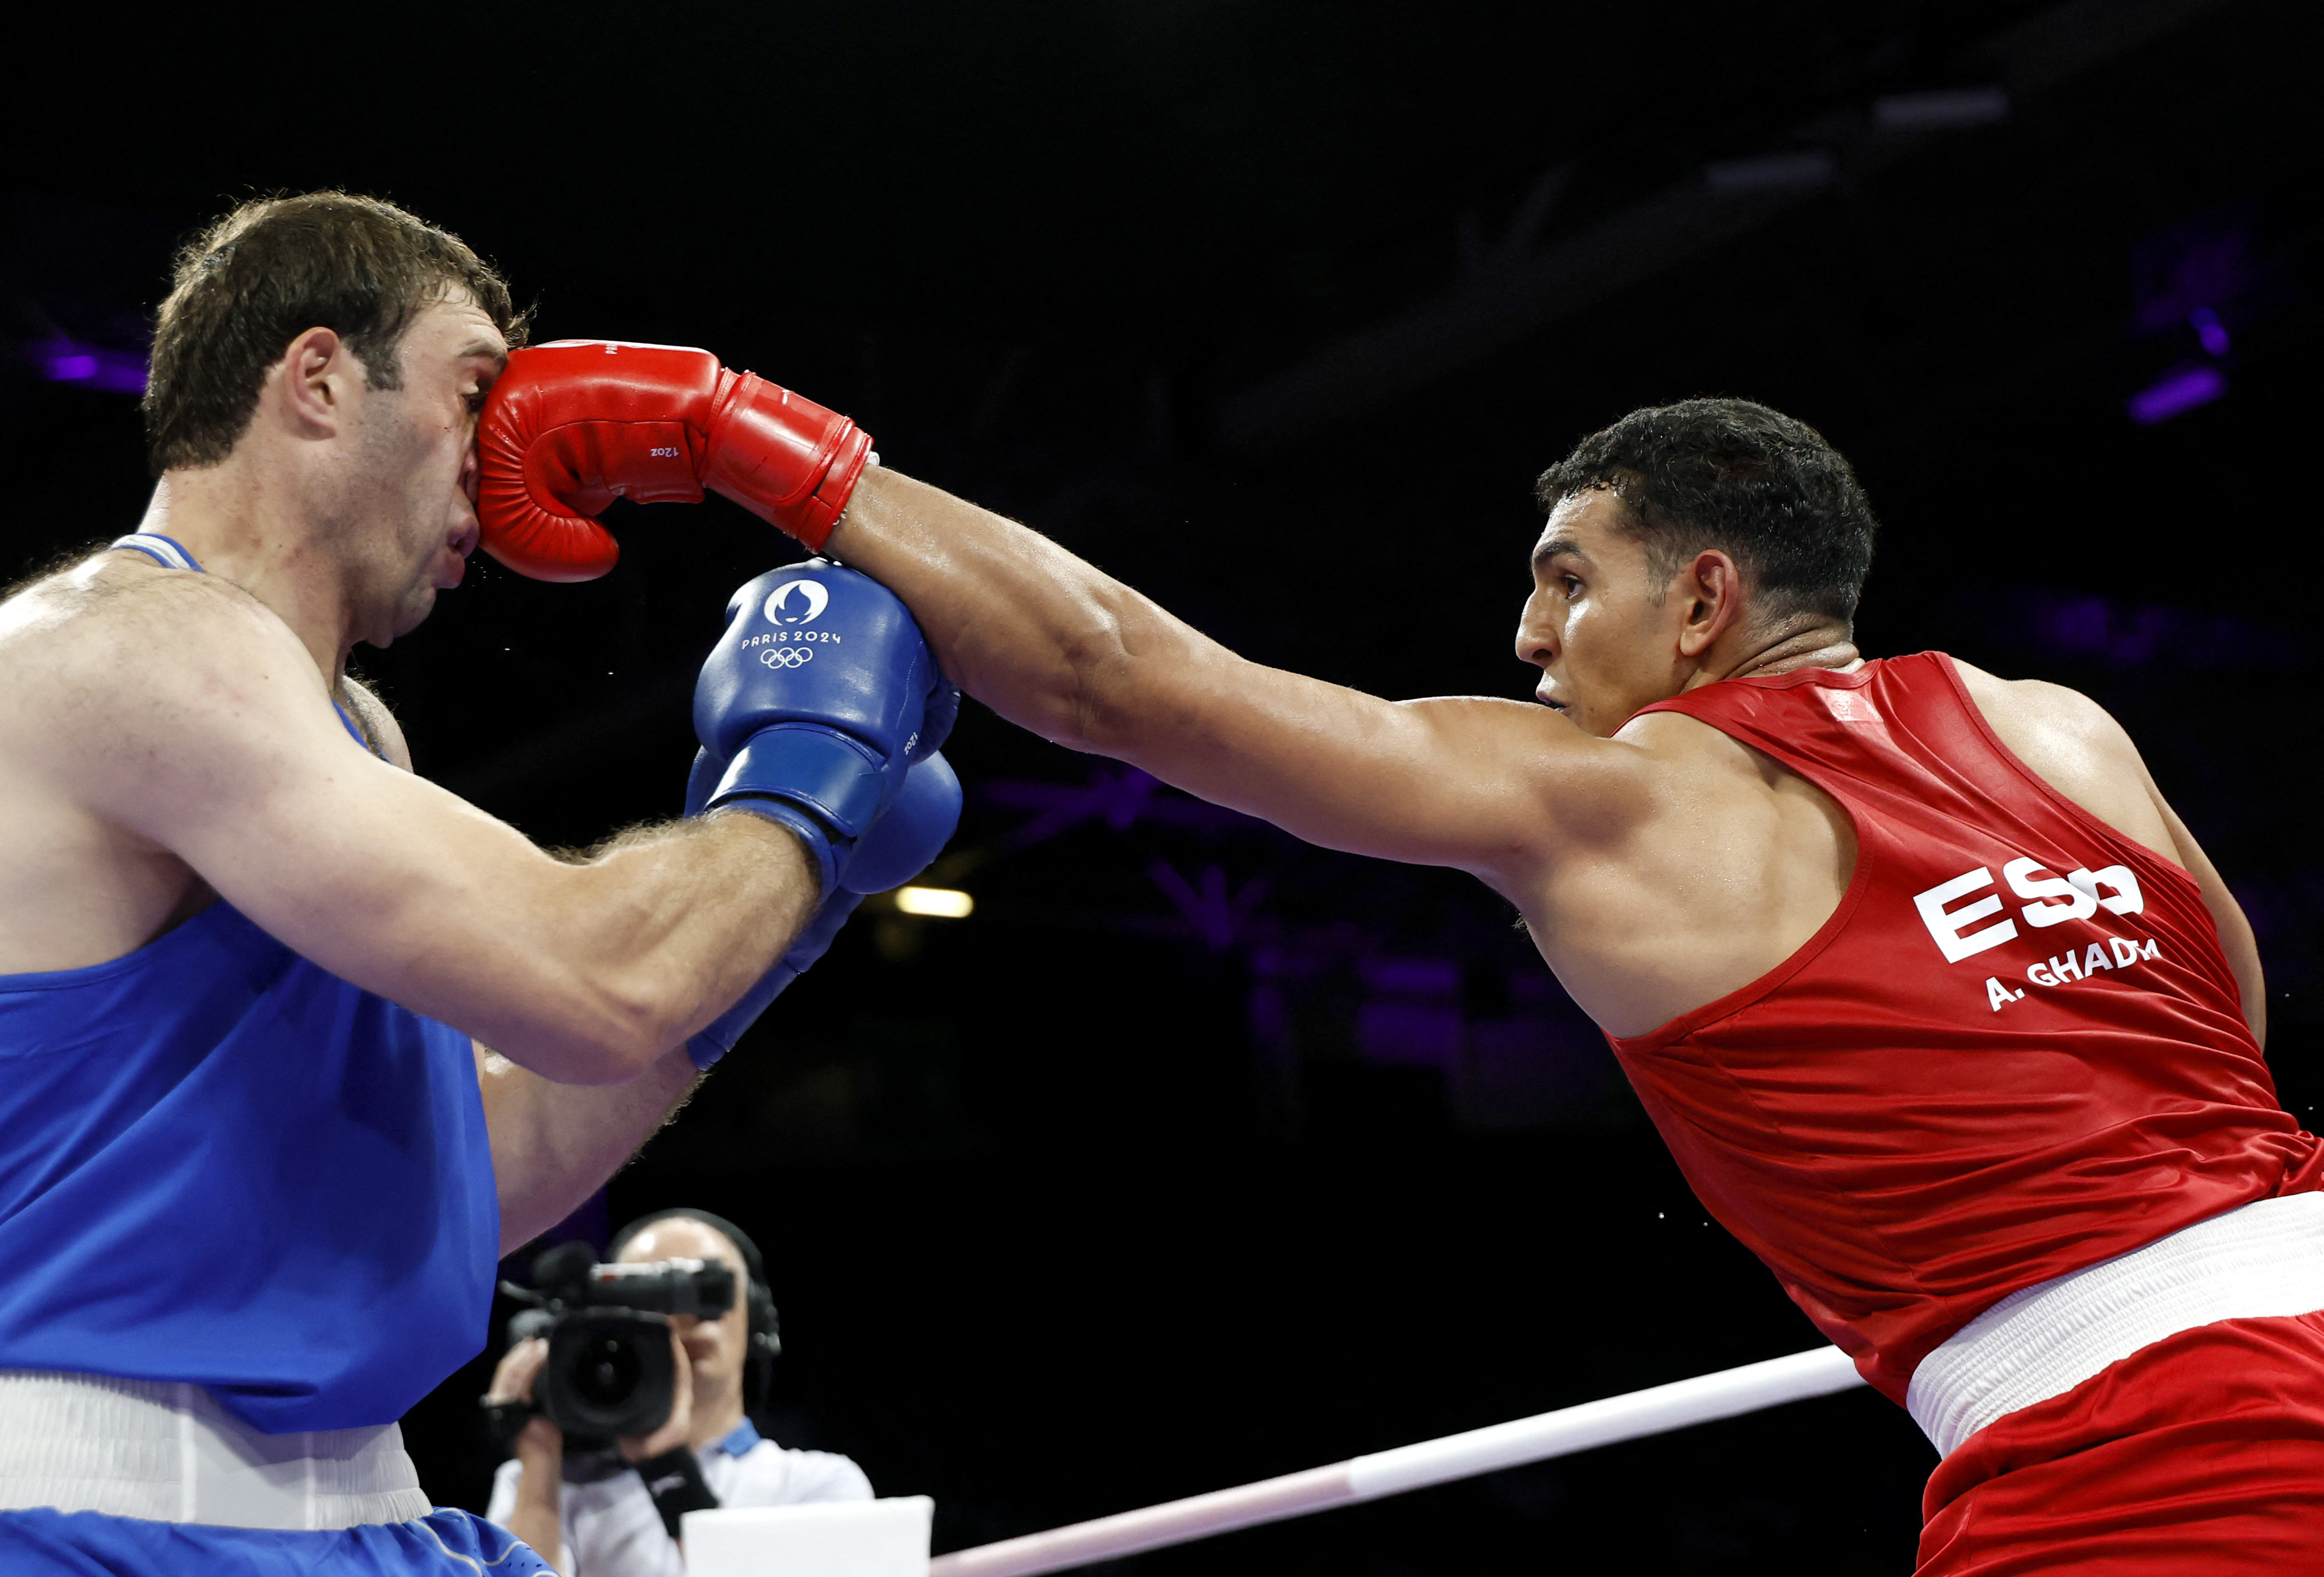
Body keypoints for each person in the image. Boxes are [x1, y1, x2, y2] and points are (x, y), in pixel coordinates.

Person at [480, 350, 2322, 1574]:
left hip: (2161, 1449)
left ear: (1701, 599)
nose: (1526, 635)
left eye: (1565, 580)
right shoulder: (2059, 727)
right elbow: (2222, 1041)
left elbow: (1130, 678)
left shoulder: (1622, 799)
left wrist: (736, 434)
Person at [0, 196, 955, 1577]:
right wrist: (808, 765)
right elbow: (599, 980)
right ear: (318, 378)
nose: (515, 475)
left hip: (363, 1513)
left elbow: (463, 1173)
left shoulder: (352, 729)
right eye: (474, 397)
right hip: (100, 1512)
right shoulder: (128, 644)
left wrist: (782, 913)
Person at [484, 1210, 870, 1575]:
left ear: (756, 1316)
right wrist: (538, 1458)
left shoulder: (817, 1485)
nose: (688, 1314)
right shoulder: (536, 1482)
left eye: (710, 1288)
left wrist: (667, 1465)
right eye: (654, 1291)